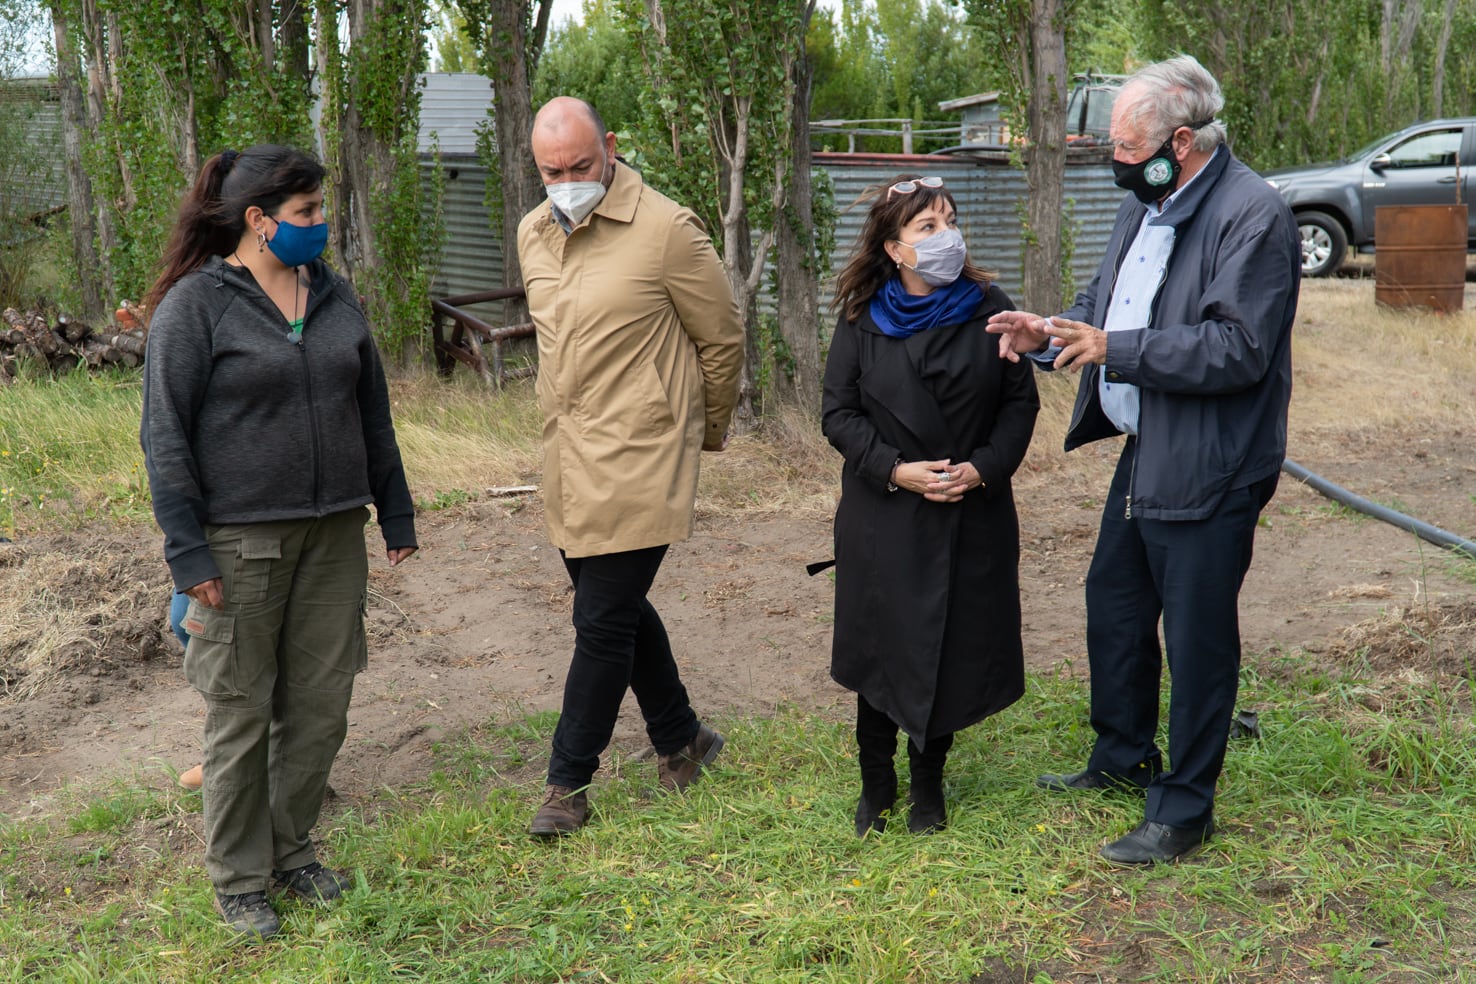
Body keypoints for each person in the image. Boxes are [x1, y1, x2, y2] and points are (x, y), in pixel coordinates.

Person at [987, 55, 1299, 865]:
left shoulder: (1253, 213)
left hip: (1215, 457)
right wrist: (1052, 330)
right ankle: (1121, 757)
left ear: (1182, 140)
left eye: (1127, 149)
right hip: (1149, 443)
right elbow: (1105, 299)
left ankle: (1185, 810)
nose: (1115, 163)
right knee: (1116, 605)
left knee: (1197, 635)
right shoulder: (1148, 201)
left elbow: (1240, 348)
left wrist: (1113, 349)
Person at [141, 145, 418, 936]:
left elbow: (373, 414)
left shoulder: (334, 296)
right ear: (258, 220)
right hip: (238, 545)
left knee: (321, 706)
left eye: (321, 209)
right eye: (306, 213)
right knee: (240, 711)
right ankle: (238, 880)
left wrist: (394, 514)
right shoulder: (196, 308)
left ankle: (292, 855)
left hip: (335, 535)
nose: (321, 224)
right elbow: (165, 437)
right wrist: (188, 553)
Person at [516, 97, 745, 837]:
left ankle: (567, 785)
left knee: (602, 622)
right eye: (552, 170)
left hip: (643, 455)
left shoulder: (666, 230)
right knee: (615, 608)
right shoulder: (532, 234)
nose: (567, 179)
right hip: (568, 459)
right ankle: (683, 740)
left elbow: (721, 339)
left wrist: (697, 435)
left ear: (609, 148)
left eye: (580, 165)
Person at [821, 174, 1039, 837]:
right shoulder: (862, 317)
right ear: (894, 248)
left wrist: (981, 470)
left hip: (968, 513)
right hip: (885, 515)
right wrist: (894, 470)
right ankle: (875, 782)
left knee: (947, 649)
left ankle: (928, 787)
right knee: (882, 650)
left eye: (950, 221)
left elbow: (1018, 404)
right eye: (927, 228)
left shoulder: (988, 307)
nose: (946, 238)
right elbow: (837, 412)